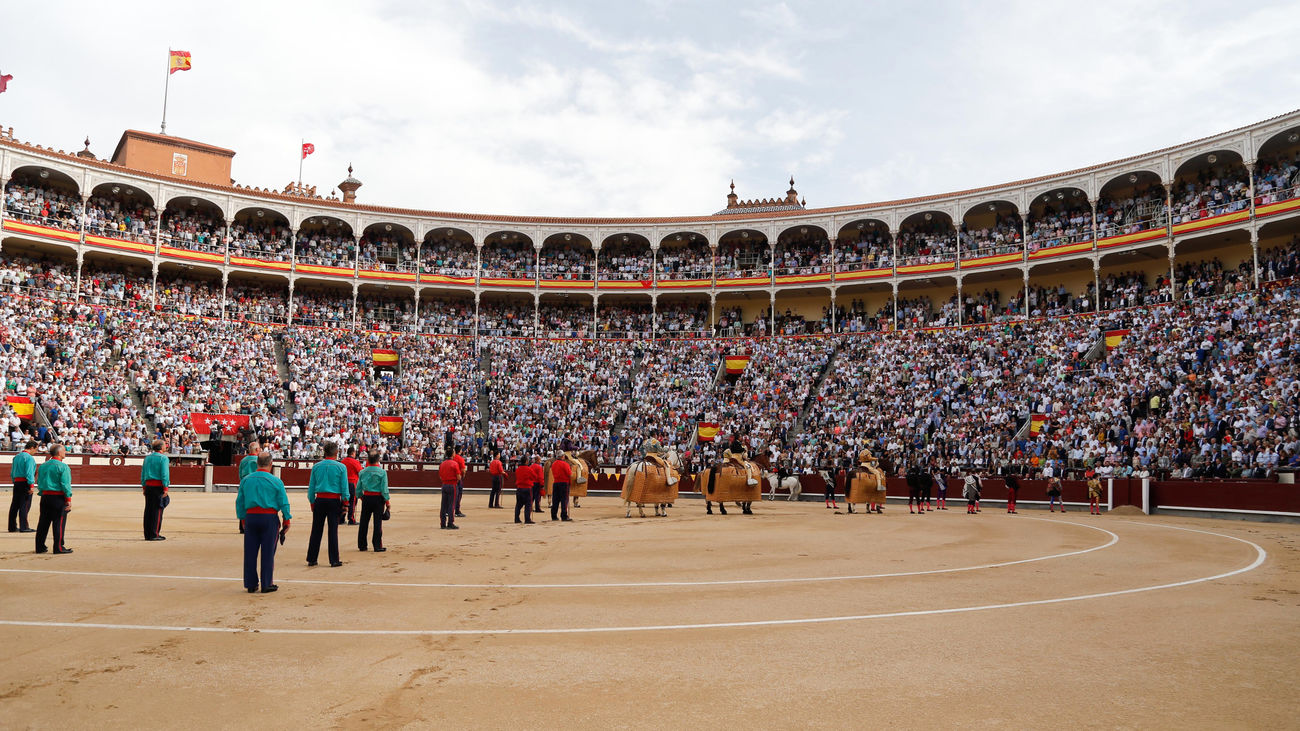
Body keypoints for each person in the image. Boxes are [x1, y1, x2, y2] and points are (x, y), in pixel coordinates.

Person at [236, 452, 291, 593]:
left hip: (251, 518)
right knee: (267, 552)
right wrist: (286, 520)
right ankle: (266, 583)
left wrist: (242, 519)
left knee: (250, 552)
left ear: (257, 464)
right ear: (270, 464)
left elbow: (240, 502)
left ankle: (250, 584)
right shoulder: (276, 481)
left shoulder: (246, 480)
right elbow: (283, 503)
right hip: (269, 518)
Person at [306, 442, 349, 567]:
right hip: (334, 501)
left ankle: (312, 558)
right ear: (336, 453)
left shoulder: (316, 467)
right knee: (333, 530)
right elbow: (344, 488)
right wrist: (345, 503)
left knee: (316, 530)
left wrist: (312, 502)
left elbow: (311, 488)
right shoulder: (341, 467)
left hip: (319, 500)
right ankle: (334, 559)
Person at [35, 444, 72, 554]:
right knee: (58, 522)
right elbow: (65, 485)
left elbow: (39, 482)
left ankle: (40, 547)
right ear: (59, 453)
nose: (65, 452)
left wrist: (43, 493)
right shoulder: (63, 467)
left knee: (43, 522)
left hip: (45, 497)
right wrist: (68, 500)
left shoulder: (43, 466)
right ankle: (58, 547)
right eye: (64, 451)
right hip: (58, 498)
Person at [357, 449, 390, 551]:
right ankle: (377, 545)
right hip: (378, 499)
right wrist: (387, 502)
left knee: (363, 522)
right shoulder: (382, 472)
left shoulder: (362, 472)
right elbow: (384, 489)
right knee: (377, 523)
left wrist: (362, 498)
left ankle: (362, 545)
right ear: (378, 459)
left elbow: (358, 489)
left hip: (366, 498)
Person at [141, 439, 170, 541]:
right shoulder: (163, 458)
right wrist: (165, 487)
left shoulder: (147, 458)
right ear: (161, 447)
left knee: (148, 510)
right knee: (157, 511)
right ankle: (154, 534)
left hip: (148, 487)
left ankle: (148, 534)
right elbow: (164, 474)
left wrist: (144, 487)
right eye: (165, 445)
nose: (166, 446)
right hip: (158, 487)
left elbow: (143, 473)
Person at [8, 439, 38, 533]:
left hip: (17, 483)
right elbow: (29, 473)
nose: (36, 452)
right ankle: (24, 527)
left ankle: (12, 527)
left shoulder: (16, 457)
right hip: (25, 483)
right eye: (36, 449)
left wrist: (15, 482)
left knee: (15, 505)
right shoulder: (29, 458)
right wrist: (31, 485)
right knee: (24, 505)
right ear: (32, 448)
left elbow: (12, 472)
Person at [237, 441, 262, 534]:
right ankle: (254, 526)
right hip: (256, 484)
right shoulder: (259, 460)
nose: (259, 450)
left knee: (243, 504)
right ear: (256, 449)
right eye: (259, 448)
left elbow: (240, 474)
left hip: (244, 484)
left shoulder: (243, 460)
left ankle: (242, 527)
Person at [438, 448, 462, 530]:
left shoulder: (442, 464)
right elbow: (458, 476)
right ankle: (450, 523)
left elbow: (440, 477)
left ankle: (443, 523)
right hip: (452, 485)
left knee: (443, 505)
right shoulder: (454, 464)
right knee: (451, 505)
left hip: (444, 485)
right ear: (452, 454)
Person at [341, 446, 364, 526]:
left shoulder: (343, 461)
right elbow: (360, 473)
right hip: (352, 483)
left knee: (344, 500)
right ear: (353, 453)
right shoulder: (355, 462)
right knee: (352, 501)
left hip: (344, 483)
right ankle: (351, 519)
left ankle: (341, 518)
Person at [549, 451, 573, 522]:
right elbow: (569, 474)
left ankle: (554, 515)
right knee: (564, 500)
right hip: (564, 483)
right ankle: (564, 516)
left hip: (556, 483)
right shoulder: (565, 464)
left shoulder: (553, 464)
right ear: (562, 456)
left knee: (555, 500)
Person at [514, 456, 536, 524]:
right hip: (527, 488)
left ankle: (516, 519)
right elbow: (534, 477)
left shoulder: (518, 469)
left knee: (518, 504)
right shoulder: (529, 469)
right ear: (526, 461)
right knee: (528, 504)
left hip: (519, 488)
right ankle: (527, 519)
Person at [452, 448, 467, 518]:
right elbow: (463, 470)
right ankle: (457, 511)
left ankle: (448, 510)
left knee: (450, 495)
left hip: (451, 479)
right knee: (458, 494)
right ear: (460, 451)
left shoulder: (452, 458)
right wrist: (463, 476)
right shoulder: (460, 459)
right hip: (458, 478)